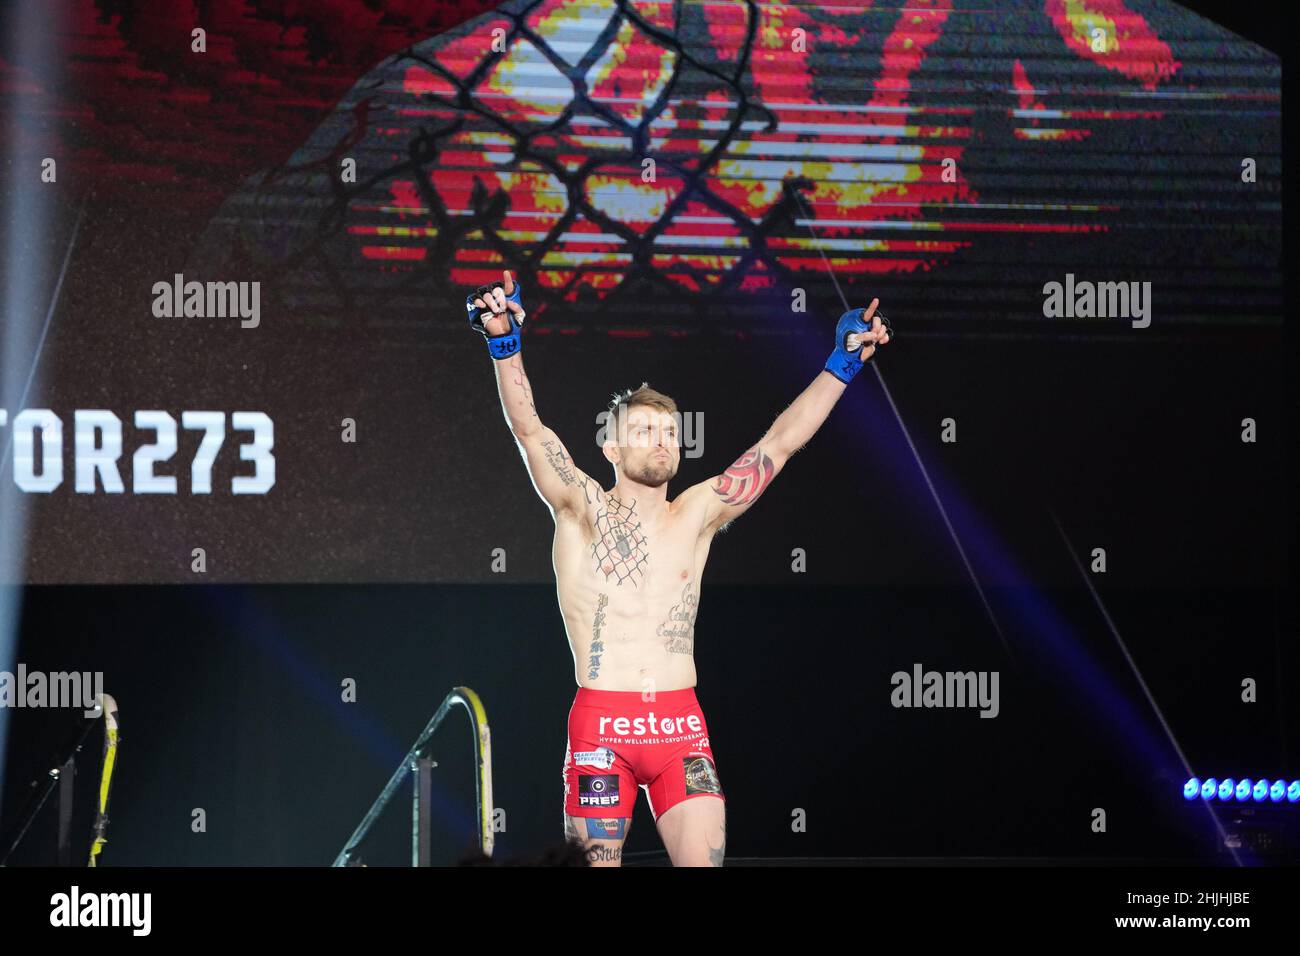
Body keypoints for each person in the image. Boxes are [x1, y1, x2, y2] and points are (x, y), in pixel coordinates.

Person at [467, 271, 891, 866]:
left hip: (679, 726)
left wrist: (841, 366)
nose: (660, 439)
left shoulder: (697, 512)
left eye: (669, 431)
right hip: (601, 726)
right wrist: (504, 342)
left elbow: (781, 443)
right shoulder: (580, 505)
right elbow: (529, 428)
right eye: (642, 430)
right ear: (611, 449)